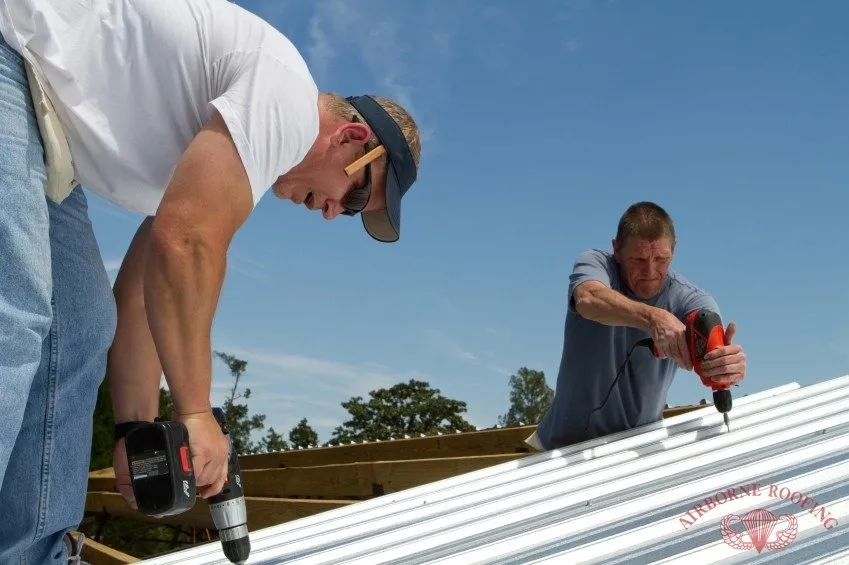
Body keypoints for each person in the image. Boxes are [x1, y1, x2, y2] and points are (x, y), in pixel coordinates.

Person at [0, 0, 422, 562]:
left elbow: (144, 293)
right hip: (12, 53)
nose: (331, 212)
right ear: (350, 136)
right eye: (356, 196)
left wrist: (137, 432)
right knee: (15, 315)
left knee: (80, 327)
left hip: (41, 116)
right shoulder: (288, 102)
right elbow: (185, 242)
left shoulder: (226, 148)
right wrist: (195, 413)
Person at [528, 202, 746, 451]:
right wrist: (654, 318)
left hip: (636, 451)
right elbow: (588, 299)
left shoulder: (693, 301)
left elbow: (713, 346)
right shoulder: (596, 264)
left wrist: (724, 366)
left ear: (674, 250)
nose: (650, 271)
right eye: (638, 259)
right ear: (616, 249)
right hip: (559, 447)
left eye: (661, 259)